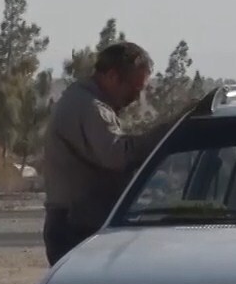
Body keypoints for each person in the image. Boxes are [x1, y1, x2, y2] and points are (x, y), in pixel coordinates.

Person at [40, 40, 177, 265]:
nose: (135, 99)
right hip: (77, 228)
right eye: (134, 89)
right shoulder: (91, 108)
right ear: (112, 76)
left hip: (77, 223)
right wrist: (167, 132)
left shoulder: (81, 99)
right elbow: (117, 155)